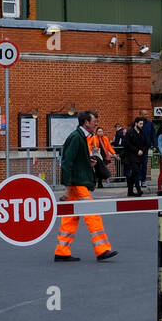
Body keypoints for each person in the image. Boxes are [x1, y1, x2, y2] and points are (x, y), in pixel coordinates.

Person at [53, 110, 118, 263]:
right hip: (77, 184)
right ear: (86, 123)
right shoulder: (77, 138)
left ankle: (62, 251)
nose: (96, 124)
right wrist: (67, 187)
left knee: (70, 218)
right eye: (94, 121)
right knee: (92, 213)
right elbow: (67, 163)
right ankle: (102, 249)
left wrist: (88, 162)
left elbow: (73, 161)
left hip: (76, 183)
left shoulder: (80, 137)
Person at [121, 116, 150, 197]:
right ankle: (138, 189)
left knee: (134, 174)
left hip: (139, 156)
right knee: (136, 172)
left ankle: (130, 191)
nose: (142, 125)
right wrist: (137, 150)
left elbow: (146, 143)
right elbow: (126, 144)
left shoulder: (142, 132)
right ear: (136, 123)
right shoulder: (130, 132)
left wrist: (142, 151)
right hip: (131, 156)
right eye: (140, 124)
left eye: (142, 124)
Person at [87, 122, 116, 189]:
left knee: (102, 170)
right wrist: (93, 148)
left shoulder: (105, 138)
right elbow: (89, 145)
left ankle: (100, 183)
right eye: (99, 131)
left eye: (101, 131)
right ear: (97, 132)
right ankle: (97, 183)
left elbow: (109, 147)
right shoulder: (93, 138)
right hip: (97, 156)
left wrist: (113, 153)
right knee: (98, 170)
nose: (100, 132)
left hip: (104, 155)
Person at [140, 113, 157, 191]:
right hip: (138, 147)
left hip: (146, 147)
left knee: (144, 164)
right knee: (137, 165)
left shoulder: (150, 124)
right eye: (144, 114)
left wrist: (154, 145)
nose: (146, 115)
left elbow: (153, 134)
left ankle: (143, 180)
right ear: (141, 114)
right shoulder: (137, 123)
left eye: (147, 114)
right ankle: (138, 180)